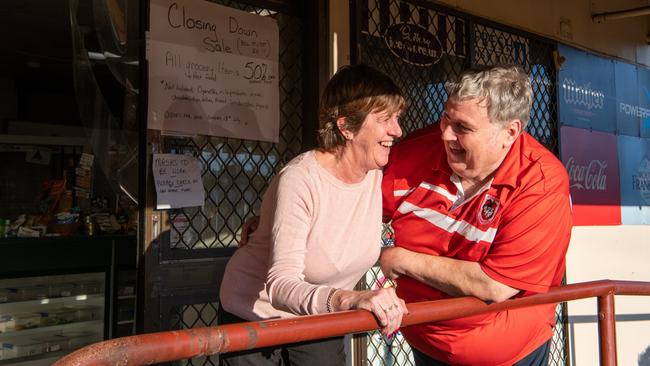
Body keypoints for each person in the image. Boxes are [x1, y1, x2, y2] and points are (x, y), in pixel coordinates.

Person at [379, 64, 572, 365]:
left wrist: (400, 259)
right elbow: (353, 211)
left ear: (510, 132)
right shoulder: (417, 152)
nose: (445, 134)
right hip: (426, 344)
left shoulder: (540, 181)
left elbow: (494, 285)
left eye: (462, 128)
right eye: (445, 118)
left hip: (510, 356)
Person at [218, 64, 409, 366]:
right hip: (256, 313)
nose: (397, 130)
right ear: (346, 127)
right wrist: (352, 298)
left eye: (397, 118)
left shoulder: (379, 173)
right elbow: (280, 285)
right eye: (385, 119)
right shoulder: (300, 179)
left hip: (319, 312)